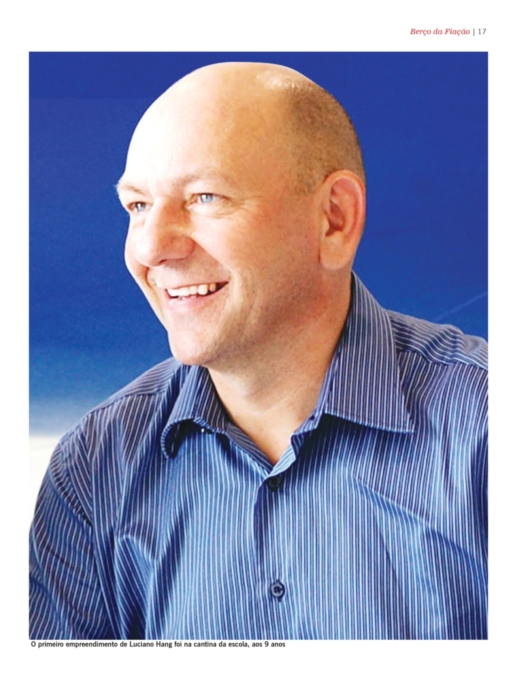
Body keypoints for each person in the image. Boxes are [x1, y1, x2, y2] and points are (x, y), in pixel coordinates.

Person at [29, 62, 487, 640]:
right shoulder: (93, 471)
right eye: (138, 206)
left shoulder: (487, 430)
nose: (150, 248)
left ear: (334, 220)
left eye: (205, 197)